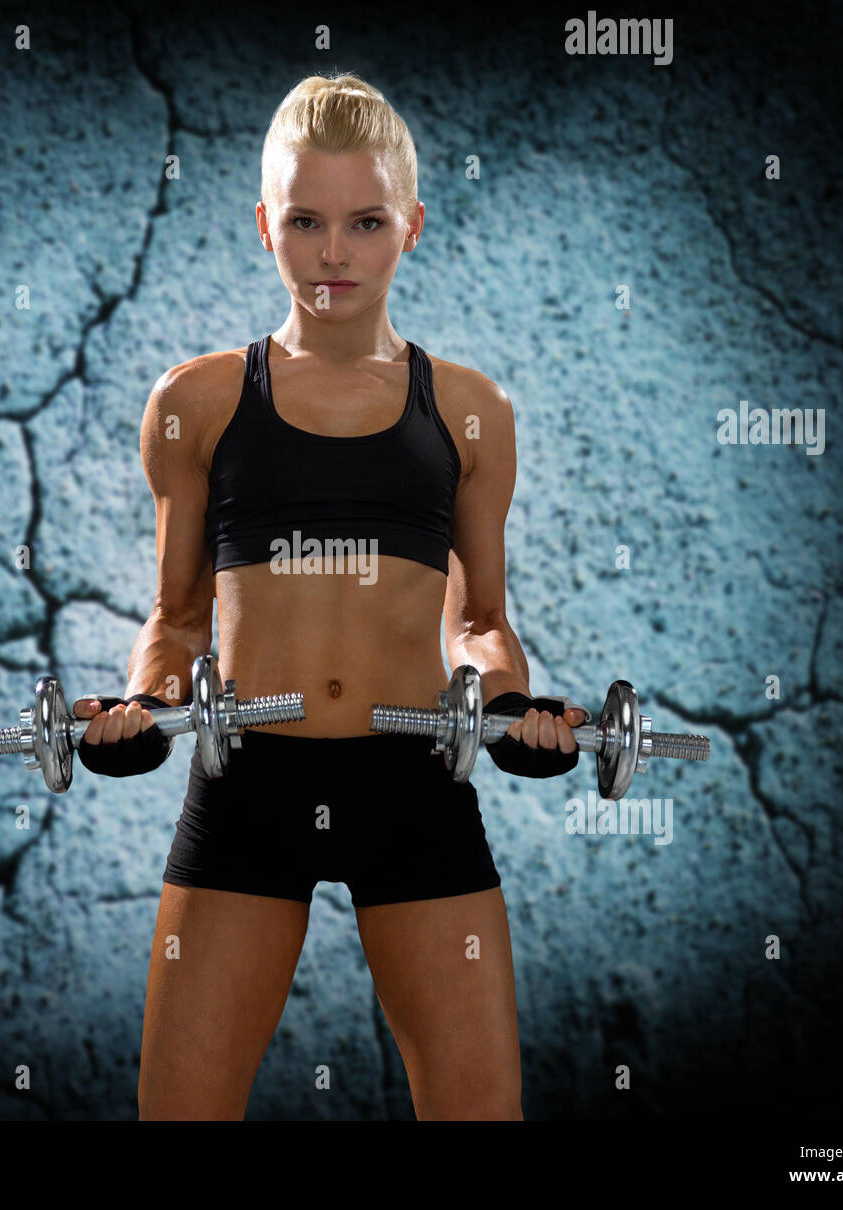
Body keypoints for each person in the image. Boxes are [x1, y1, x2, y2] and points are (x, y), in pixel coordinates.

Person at [73, 71, 589, 1121]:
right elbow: (173, 622)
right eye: (305, 221)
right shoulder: (197, 401)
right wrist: (140, 708)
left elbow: (481, 623)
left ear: (413, 226)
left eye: (364, 222)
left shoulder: (472, 411)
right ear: (265, 225)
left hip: (414, 787)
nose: (334, 252)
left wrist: (503, 710)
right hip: (246, 786)